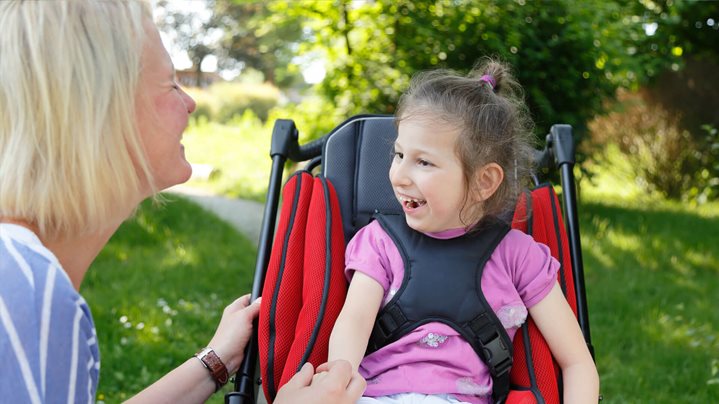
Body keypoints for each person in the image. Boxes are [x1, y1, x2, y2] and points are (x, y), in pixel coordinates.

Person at [0, 1, 364, 403]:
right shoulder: (30, 297)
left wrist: (216, 361)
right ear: (105, 109)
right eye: (171, 84)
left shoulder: (22, 275)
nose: (189, 103)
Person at [327, 59, 599, 403]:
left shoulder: (518, 256)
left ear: (484, 181)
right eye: (398, 155)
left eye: (423, 162)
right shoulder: (380, 243)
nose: (399, 175)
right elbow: (352, 326)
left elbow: (577, 361)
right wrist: (336, 386)